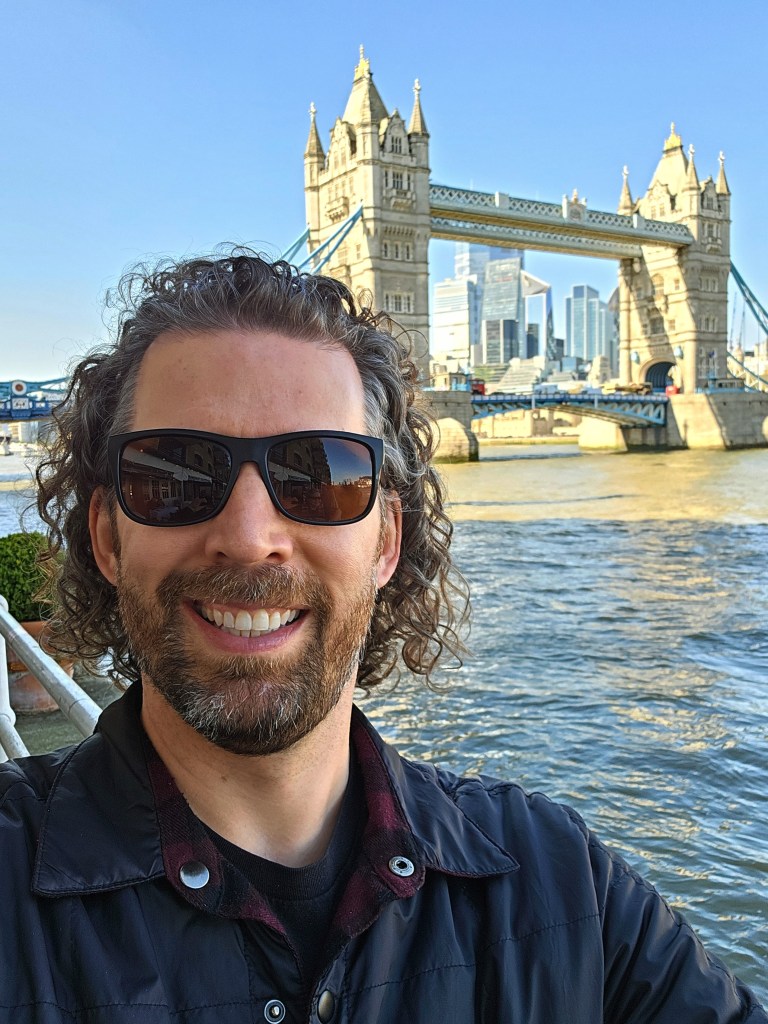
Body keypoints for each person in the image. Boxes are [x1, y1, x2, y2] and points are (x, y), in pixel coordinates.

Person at [0, 252, 764, 1024]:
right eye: (176, 478)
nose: (250, 535)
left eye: (321, 476)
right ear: (105, 535)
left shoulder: (565, 885)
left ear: (387, 540)